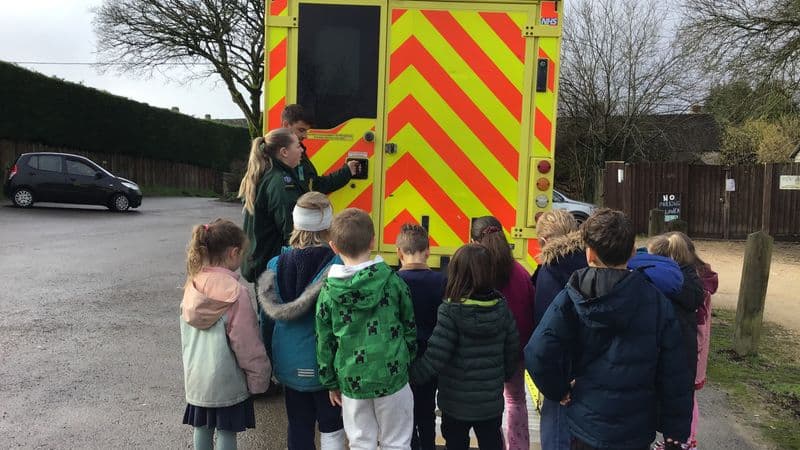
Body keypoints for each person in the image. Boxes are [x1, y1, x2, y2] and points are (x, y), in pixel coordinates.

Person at [525, 208, 692, 450]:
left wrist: (558, 389)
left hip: (586, 423)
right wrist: (675, 429)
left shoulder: (571, 296)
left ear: (589, 253)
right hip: (635, 427)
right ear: (634, 251)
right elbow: (675, 370)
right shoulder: (656, 301)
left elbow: (537, 351)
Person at [315, 208, 418, 450]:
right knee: (397, 441)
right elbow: (409, 325)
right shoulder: (393, 283)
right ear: (373, 240)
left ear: (334, 247)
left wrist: (330, 381)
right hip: (392, 375)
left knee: (361, 442)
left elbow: (324, 341)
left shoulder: (328, 293)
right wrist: (406, 359)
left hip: (352, 379)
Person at [257, 192, 345, 450]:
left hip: (289, 363)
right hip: (327, 367)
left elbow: (266, 321)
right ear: (329, 226)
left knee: (298, 425)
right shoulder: (338, 267)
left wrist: (272, 359)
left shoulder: (275, 264)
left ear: (296, 224)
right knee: (331, 426)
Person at [410, 243, 519, 450]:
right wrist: (501, 375)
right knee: (491, 442)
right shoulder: (502, 308)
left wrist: (411, 375)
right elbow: (512, 349)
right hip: (490, 404)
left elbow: (436, 357)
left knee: (456, 443)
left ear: (457, 273)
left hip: (455, 405)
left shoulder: (450, 311)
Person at [180, 219, 271, 450]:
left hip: (197, 378)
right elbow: (247, 344)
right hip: (227, 380)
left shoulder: (192, 284)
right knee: (227, 432)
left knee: (202, 428)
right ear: (233, 253)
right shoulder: (236, 292)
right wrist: (259, 378)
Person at [238, 128, 306, 365]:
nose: (302, 149)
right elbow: (292, 230)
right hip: (270, 262)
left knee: (267, 315)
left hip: (261, 260)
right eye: (298, 145)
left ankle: (265, 370)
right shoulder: (281, 182)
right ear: (284, 152)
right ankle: (267, 372)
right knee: (271, 318)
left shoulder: (272, 175)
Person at [471, 216, 533, 450]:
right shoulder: (520, 272)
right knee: (515, 400)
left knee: (488, 405)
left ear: (475, 242)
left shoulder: (474, 274)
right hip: (516, 349)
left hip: (482, 352)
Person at [648, 232, 713, 450]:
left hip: (663, 356)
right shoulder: (694, 284)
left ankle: (679, 441)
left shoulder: (657, 286)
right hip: (686, 357)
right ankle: (679, 440)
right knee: (682, 400)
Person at [531, 210, 587, 450]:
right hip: (591, 371)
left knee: (556, 437)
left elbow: (545, 338)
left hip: (563, 376)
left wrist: (554, 387)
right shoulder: (592, 261)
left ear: (543, 241)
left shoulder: (549, 273)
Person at [396, 224, 446, 450]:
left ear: (399, 252)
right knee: (426, 411)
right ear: (428, 250)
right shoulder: (442, 282)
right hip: (431, 359)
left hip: (401, 359)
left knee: (403, 414)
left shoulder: (393, 283)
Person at [281, 104, 359, 193]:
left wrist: (347, 171)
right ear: (286, 125)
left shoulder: (296, 152)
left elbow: (315, 185)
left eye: (306, 131)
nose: (305, 136)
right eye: (301, 130)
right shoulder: (277, 157)